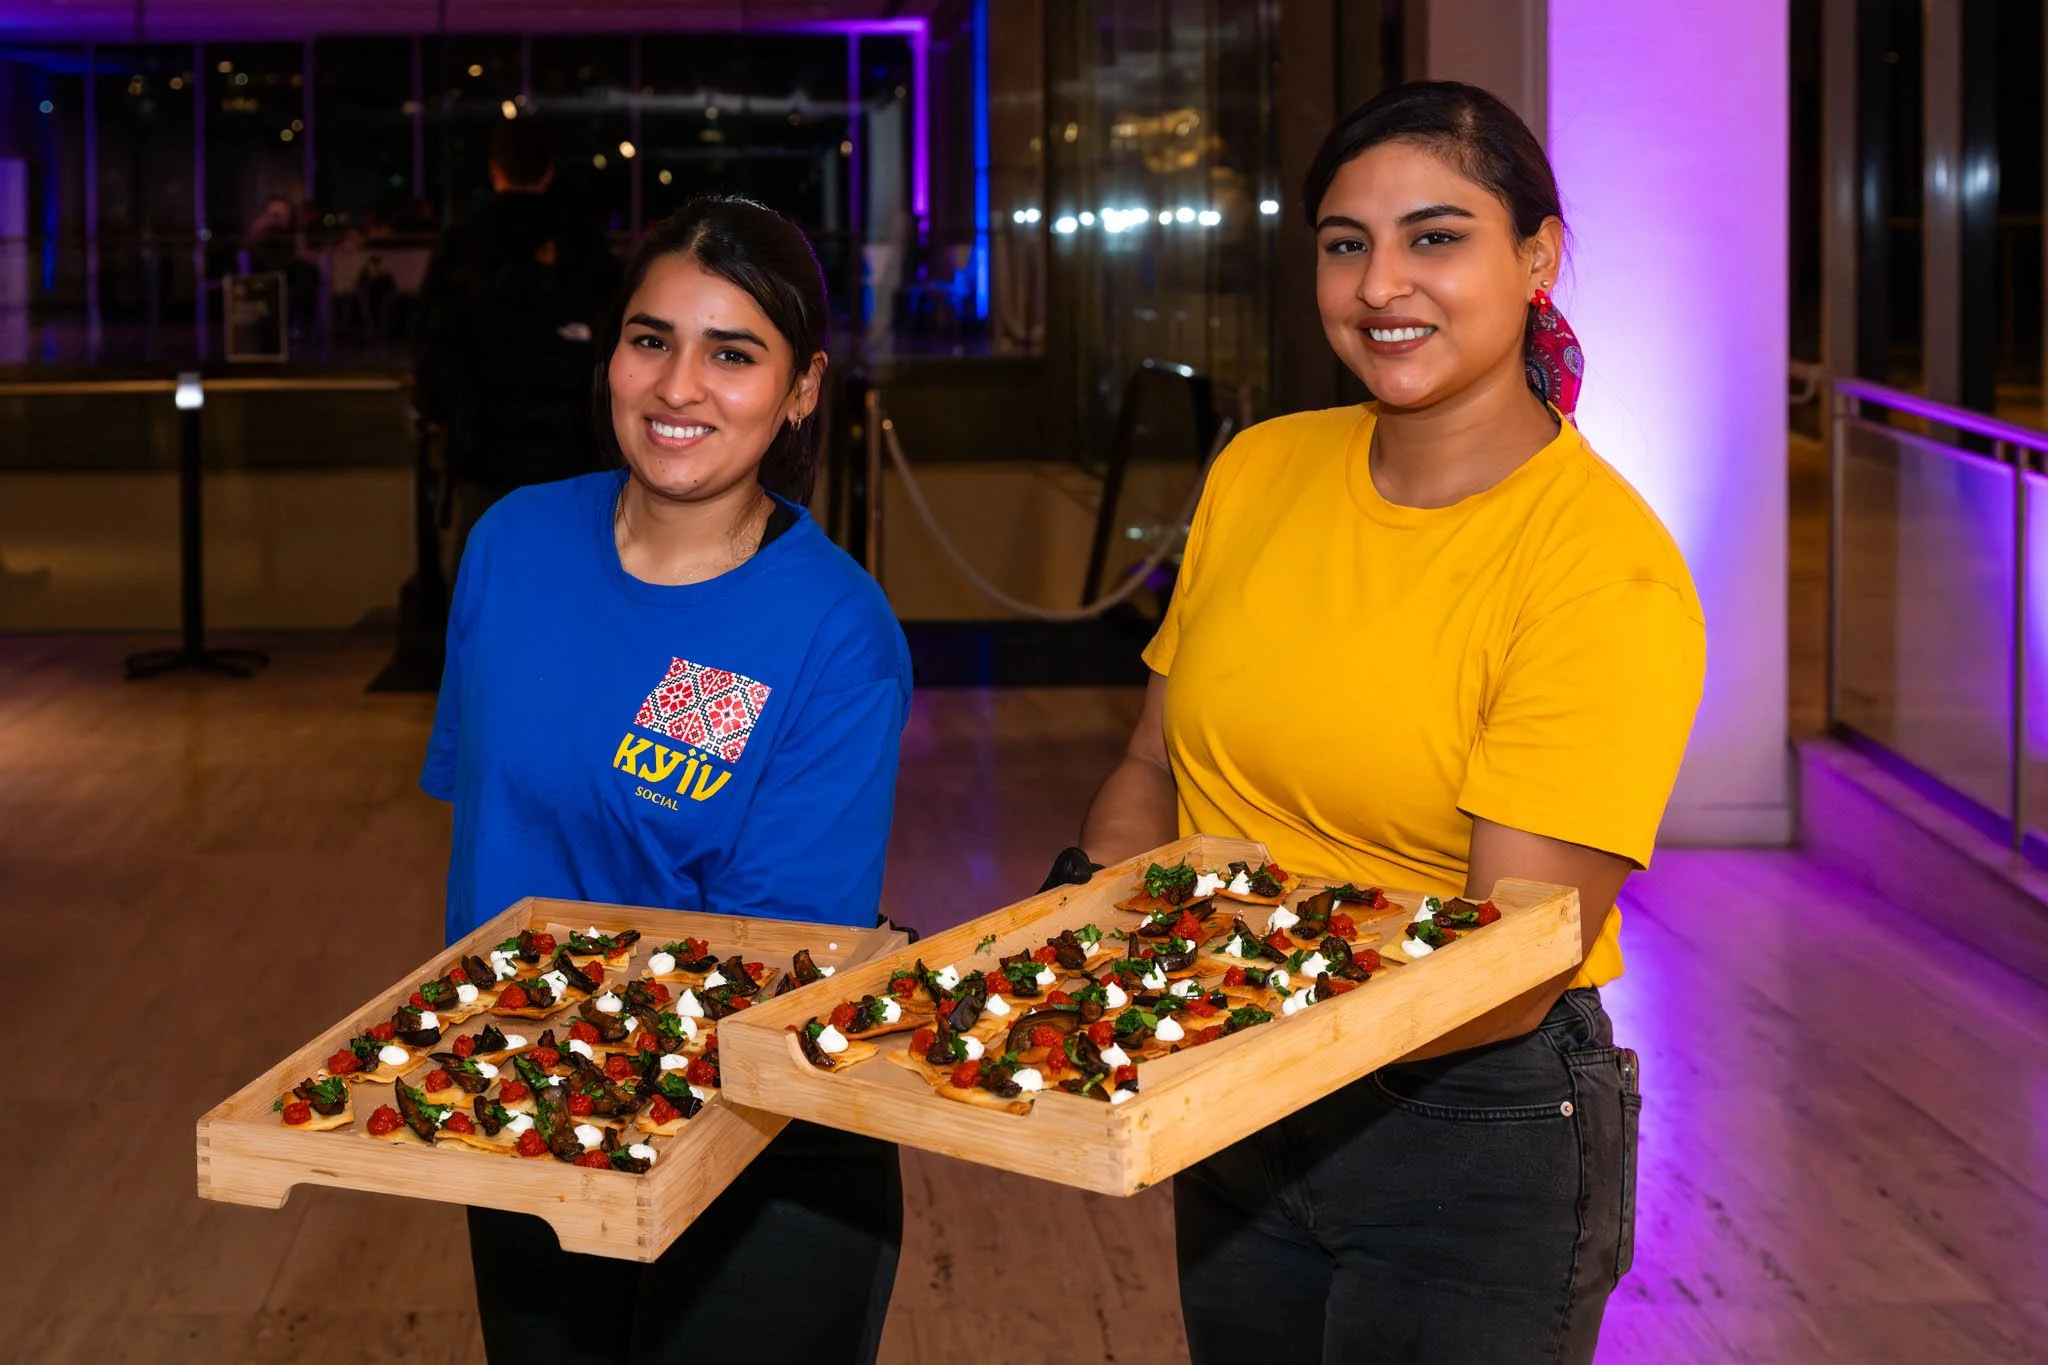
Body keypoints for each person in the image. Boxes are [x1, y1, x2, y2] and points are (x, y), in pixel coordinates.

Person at [1059, 82, 1705, 1363]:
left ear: (1536, 254)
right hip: (1236, 1095)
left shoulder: (1595, 566)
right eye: (1345, 244)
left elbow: (1509, 968)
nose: (1379, 284)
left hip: (1465, 1132)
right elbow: (1148, 765)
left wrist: (1191, 994)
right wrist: (1096, 938)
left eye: (1435, 236)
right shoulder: (1259, 468)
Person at [421, 196, 909, 1365]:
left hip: (754, 1150)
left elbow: (773, 951)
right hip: (529, 1108)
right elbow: (490, 830)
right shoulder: (513, 545)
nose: (678, 386)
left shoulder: (827, 629)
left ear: (801, 390)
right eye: (652, 340)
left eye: (733, 354)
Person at [413, 117, 621, 574]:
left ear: (495, 171)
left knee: (486, 583)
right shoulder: (581, 242)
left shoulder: (464, 243)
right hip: (571, 448)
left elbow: (434, 340)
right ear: (548, 172)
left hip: (484, 446)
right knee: (567, 580)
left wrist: (430, 408)